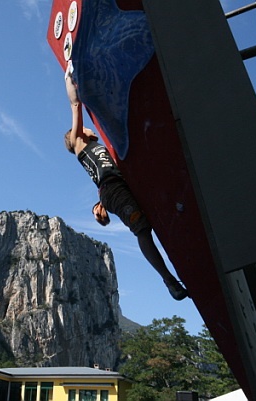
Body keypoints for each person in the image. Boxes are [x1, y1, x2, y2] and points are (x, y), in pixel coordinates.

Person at [64, 62, 188, 301]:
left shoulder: (97, 148)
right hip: (113, 189)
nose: (88, 129)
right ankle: (168, 280)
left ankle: (174, 271)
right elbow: (75, 104)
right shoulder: (79, 144)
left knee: (154, 217)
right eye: (83, 128)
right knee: (142, 229)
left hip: (117, 186)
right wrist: (68, 77)